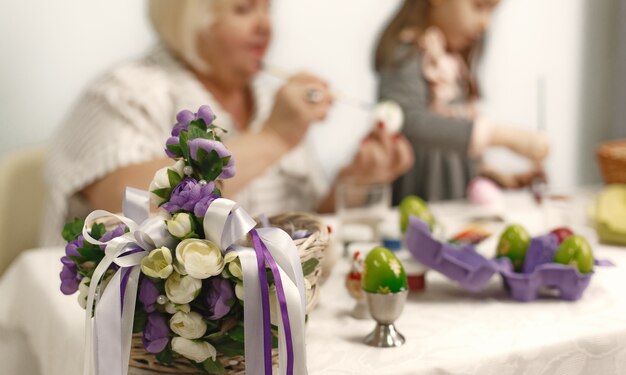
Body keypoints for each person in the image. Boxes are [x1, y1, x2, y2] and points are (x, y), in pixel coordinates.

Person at [40, 0, 413, 245]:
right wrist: (274, 137)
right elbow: (121, 204)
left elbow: (306, 218)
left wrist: (357, 180)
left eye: (267, 8)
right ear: (192, 20)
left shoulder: (271, 99)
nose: (265, 25)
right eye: (243, 8)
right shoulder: (124, 91)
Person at [375, 0, 549, 204]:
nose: (486, 24)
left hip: (453, 213)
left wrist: (497, 177)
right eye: (478, 7)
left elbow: (454, 145)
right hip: (417, 210)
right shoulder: (407, 51)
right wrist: (498, 135)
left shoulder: (452, 61)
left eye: (491, 12)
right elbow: (409, 122)